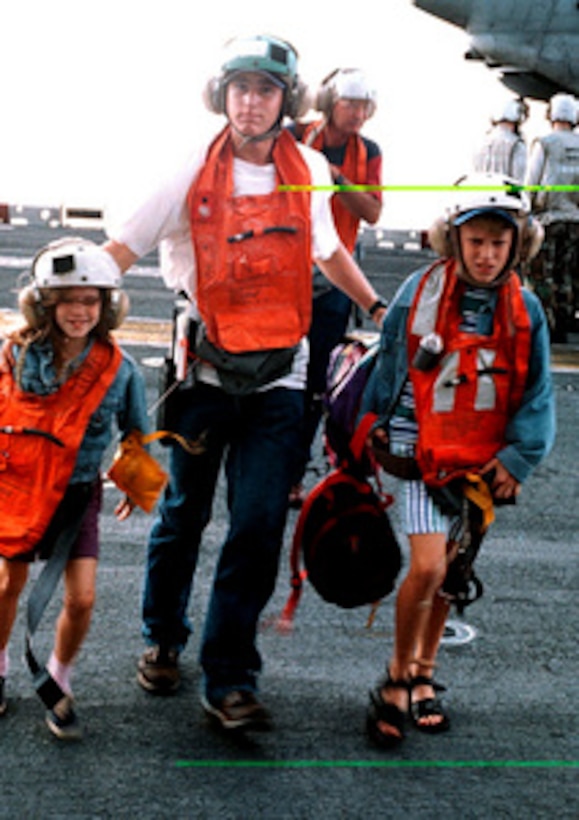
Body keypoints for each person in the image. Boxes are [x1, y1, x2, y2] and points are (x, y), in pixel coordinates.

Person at [103, 34, 387, 733]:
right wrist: (67, 311)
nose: (251, 103)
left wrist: (381, 312)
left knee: (258, 524)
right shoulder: (184, 173)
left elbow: (328, 251)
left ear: (286, 101)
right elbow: (121, 249)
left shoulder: (311, 171)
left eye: (264, 90)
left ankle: (230, 676)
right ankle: (163, 637)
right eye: (240, 89)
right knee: (183, 516)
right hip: (201, 376)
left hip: (279, 381)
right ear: (221, 95)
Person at [360, 173, 555, 747]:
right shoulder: (416, 292)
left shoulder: (528, 311)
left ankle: (424, 675)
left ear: (519, 243)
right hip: (418, 454)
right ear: (454, 239)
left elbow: (536, 392)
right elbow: (388, 370)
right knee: (425, 568)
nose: (488, 255)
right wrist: (370, 439)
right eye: (476, 242)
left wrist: (519, 459)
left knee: (451, 572)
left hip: (480, 462)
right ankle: (395, 679)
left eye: (500, 242)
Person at [0, 237, 148, 740]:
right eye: (68, 299)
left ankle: (60, 679)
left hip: (79, 493)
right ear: (45, 303)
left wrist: (133, 479)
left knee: (81, 599)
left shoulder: (121, 370)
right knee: (7, 587)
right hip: (19, 487)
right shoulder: (13, 356)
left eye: (91, 300)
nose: (80, 311)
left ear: (107, 306)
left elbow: (134, 434)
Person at [288, 67, 383, 505]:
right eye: (350, 104)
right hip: (286, 273)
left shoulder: (370, 152)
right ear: (329, 103)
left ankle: (292, 474)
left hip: (333, 280)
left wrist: (333, 176)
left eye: (365, 106)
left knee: (316, 384)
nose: (359, 113)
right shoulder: (292, 135)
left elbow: (372, 211)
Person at [525, 92, 579, 342]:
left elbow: (531, 182)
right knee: (568, 273)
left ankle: (549, 326)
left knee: (543, 275)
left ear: (551, 114)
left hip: (549, 219)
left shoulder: (545, 143)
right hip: (575, 221)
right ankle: (568, 320)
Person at [472, 97, 528, 182]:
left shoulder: (481, 142)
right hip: (504, 194)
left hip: (481, 193)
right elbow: (519, 180)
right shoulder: (517, 145)